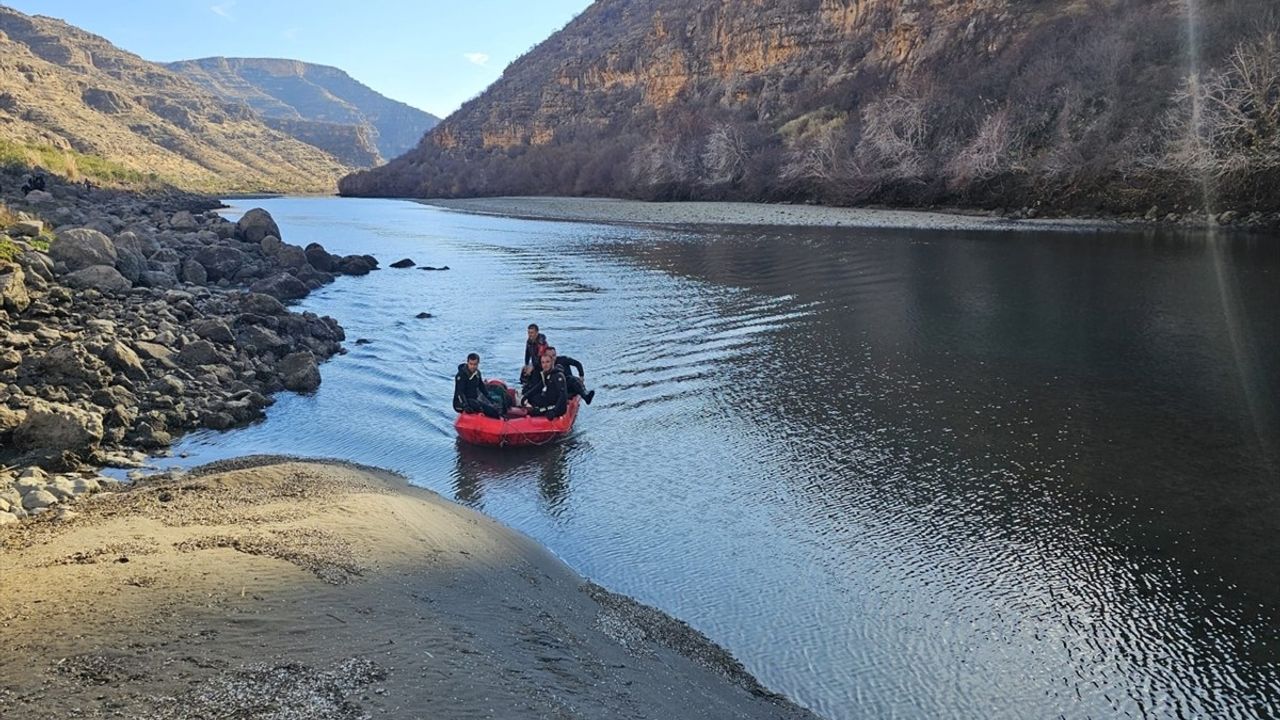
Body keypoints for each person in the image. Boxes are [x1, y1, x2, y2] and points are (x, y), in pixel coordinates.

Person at [453, 353, 501, 418]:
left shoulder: (477, 373)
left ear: (478, 364)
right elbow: (460, 393)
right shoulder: (461, 375)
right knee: (478, 406)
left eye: (475, 364)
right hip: (460, 403)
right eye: (471, 364)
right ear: (467, 363)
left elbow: (481, 387)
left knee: (492, 411)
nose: (472, 366)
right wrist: (465, 405)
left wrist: (490, 398)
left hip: (473, 400)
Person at [523, 351, 567, 419]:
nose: (545, 365)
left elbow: (562, 396)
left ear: (552, 362)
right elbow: (538, 387)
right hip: (549, 401)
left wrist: (554, 411)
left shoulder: (558, 376)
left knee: (535, 412)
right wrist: (525, 396)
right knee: (532, 398)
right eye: (543, 362)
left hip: (556, 406)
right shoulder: (547, 375)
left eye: (547, 362)